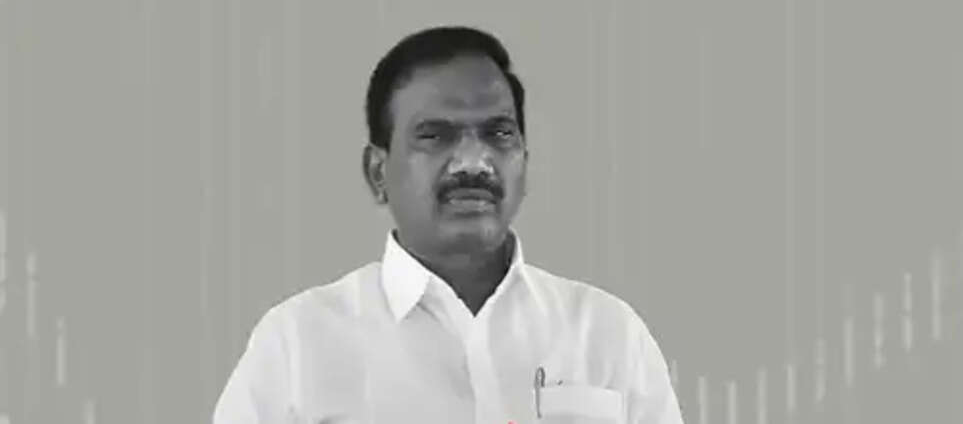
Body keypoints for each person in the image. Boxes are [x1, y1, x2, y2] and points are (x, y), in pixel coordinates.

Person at [213, 26, 685, 423]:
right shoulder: (297, 345)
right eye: (436, 135)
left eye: (498, 133)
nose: (474, 161)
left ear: (524, 161)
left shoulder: (606, 335)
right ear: (378, 173)